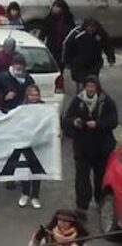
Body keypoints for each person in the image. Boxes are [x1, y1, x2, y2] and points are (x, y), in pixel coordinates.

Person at [62, 76, 118, 213]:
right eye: (88, 86)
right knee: (82, 179)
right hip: (82, 148)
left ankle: (100, 202)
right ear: (85, 87)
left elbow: (113, 121)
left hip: (102, 148)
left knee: (101, 178)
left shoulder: (106, 101)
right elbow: (66, 120)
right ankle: (82, 207)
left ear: (97, 87)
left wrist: (98, 124)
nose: (90, 89)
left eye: (93, 87)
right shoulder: (78, 100)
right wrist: (75, 122)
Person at [63, 18, 115, 93]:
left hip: (95, 63)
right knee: (81, 82)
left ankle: (96, 96)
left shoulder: (100, 33)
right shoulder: (77, 33)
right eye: (89, 26)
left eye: (93, 27)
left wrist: (111, 58)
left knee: (92, 81)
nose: (91, 29)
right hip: (79, 64)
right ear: (86, 26)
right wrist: (67, 61)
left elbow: (108, 45)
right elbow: (67, 45)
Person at [20, 84, 45, 209]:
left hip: (39, 144)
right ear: (27, 96)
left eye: (36, 95)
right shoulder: (21, 108)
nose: (34, 97)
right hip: (25, 142)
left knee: (36, 170)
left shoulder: (45, 108)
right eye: (31, 95)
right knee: (24, 169)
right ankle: (25, 193)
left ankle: (35, 196)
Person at [39, 0, 75, 70]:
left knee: (60, 66)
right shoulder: (49, 18)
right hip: (52, 46)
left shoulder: (68, 18)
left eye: (58, 7)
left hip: (63, 47)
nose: (55, 9)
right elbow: (44, 31)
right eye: (54, 6)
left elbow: (71, 31)